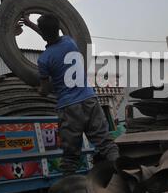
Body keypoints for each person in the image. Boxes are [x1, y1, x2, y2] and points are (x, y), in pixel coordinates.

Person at [22, 13, 120, 175]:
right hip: (89, 100)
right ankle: (121, 175)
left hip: (69, 108)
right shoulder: (70, 42)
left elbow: (45, 91)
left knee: (70, 157)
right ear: (58, 28)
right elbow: (50, 35)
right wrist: (31, 24)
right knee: (106, 144)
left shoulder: (44, 60)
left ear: (43, 32)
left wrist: (36, 89)